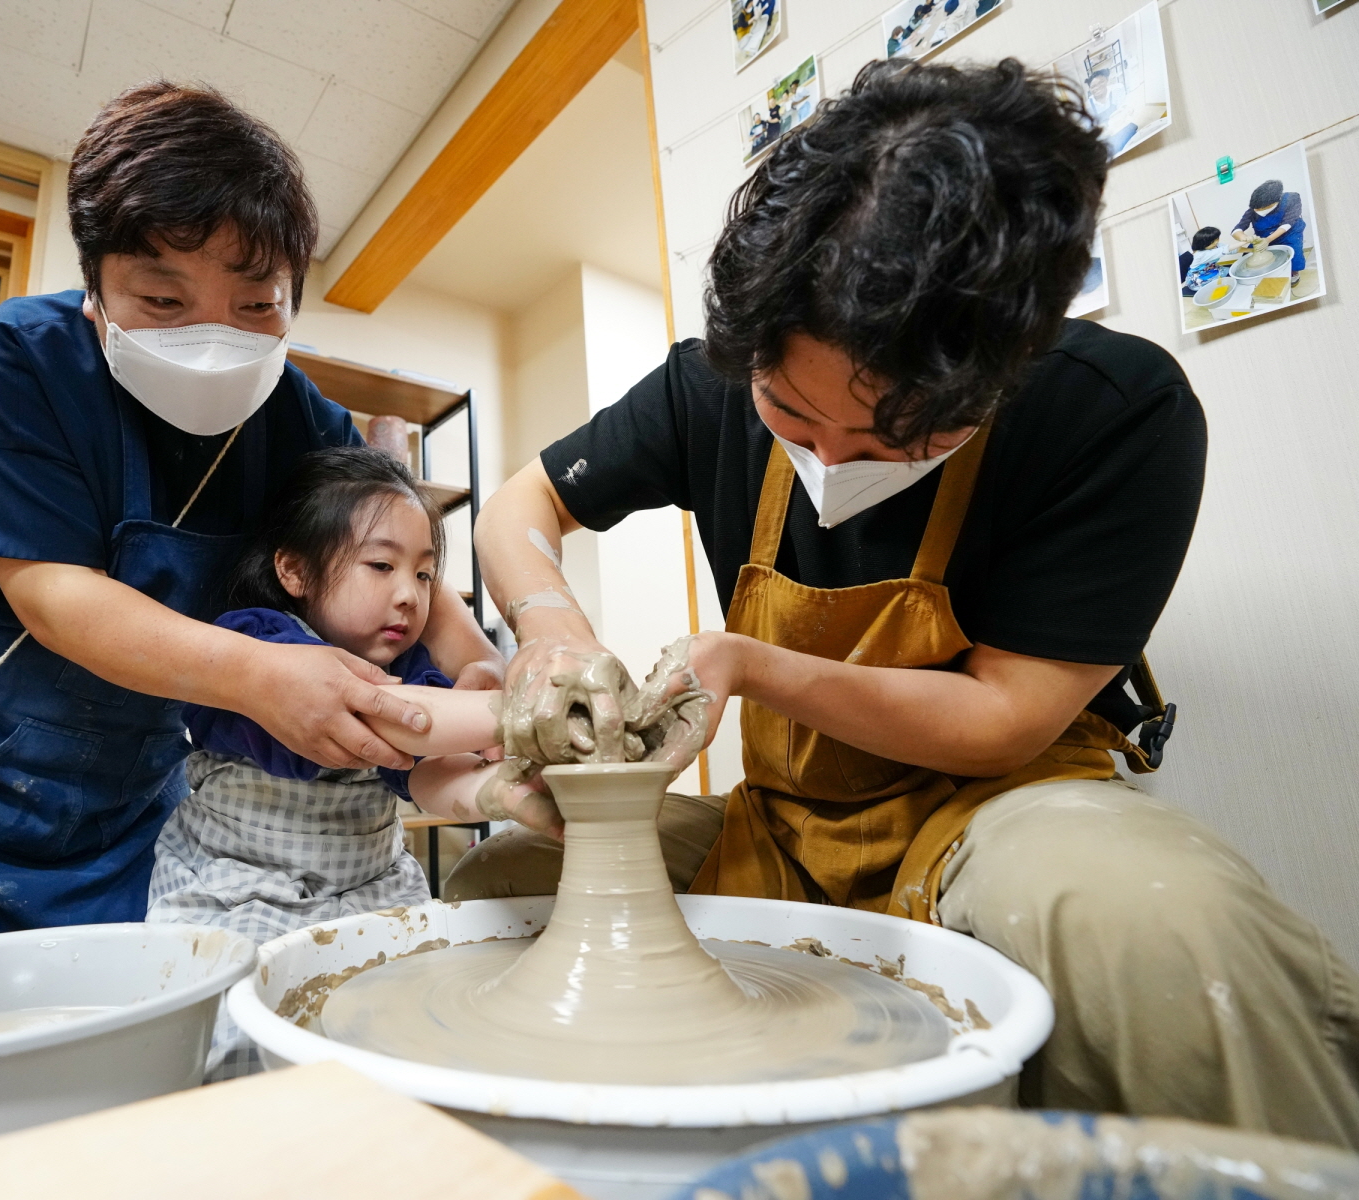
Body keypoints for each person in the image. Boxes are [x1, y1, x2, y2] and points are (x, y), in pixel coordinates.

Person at [455, 58, 1359, 1145]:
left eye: (896, 439)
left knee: (1164, 930)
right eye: (790, 413)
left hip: (994, 810)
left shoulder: (1114, 411)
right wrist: (550, 634)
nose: (834, 458)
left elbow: (1007, 716)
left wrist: (747, 665)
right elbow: (519, 509)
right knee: (502, 884)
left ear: (1008, 370)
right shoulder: (708, 381)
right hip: (784, 827)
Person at [0, 83, 500, 1199]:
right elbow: (55, 594)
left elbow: (390, 525)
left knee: (99, 1091)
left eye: (255, 304)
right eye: (161, 296)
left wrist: (484, 664)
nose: (214, 334)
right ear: (94, 293)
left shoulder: (289, 412)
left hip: (132, 795)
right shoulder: (20, 358)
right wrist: (259, 675)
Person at [146, 447, 523, 1077]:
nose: (410, 595)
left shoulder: (409, 671)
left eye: (426, 575)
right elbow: (385, 715)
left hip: (367, 888)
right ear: (294, 570)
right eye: (382, 565)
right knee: (242, 1053)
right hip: (241, 889)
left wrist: (502, 795)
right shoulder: (259, 640)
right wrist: (521, 712)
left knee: (405, 1032)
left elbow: (427, 771)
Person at [1232, 178, 1307, 287]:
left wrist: (1268, 240)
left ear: (1276, 201)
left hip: (1289, 232)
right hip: (1264, 236)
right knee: (1248, 254)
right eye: (1256, 209)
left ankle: (1294, 273)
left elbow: (1288, 223)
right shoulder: (1253, 210)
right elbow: (1237, 229)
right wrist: (1244, 238)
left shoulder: (1291, 199)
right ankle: (1260, 276)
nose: (1258, 211)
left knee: (1294, 252)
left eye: (1262, 208)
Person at [1180, 226, 1222, 295]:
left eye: (1217, 239)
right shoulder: (1198, 255)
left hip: (1211, 270)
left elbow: (1229, 249)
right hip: (1200, 280)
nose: (1216, 242)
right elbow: (1226, 250)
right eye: (1214, 241)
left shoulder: (1214, 248)